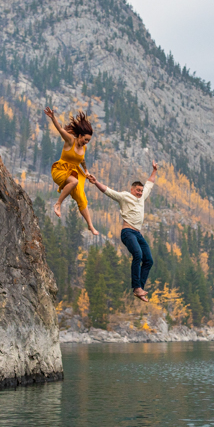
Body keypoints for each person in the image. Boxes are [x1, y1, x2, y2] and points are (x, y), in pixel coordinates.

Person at [87, 162, 158, 302]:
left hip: (138, 234)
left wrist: (154, 170)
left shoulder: (142, 198)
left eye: (141, 191)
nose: (139, 193)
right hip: (128, 232)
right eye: (137, 190)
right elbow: (108, 191)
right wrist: (96, 182)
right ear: (132, 189)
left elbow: (150, 183)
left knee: (148, 260)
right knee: (138, 254)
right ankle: (137, 287)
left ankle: (139, 290)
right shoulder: (125, 196)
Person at [45, 107, 100, 235]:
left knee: (81, 198)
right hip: (60, 170)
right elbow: (60, 130)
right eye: (85, 139)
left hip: (73, 173)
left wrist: (86, 171)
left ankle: (90, 225)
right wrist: (53, 117)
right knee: (74, 182)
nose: (86, 142)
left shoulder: (83, 148)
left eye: (88, 141)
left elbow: (81, 160)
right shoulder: (70, 141)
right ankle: (58, 204)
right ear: (79, 136)